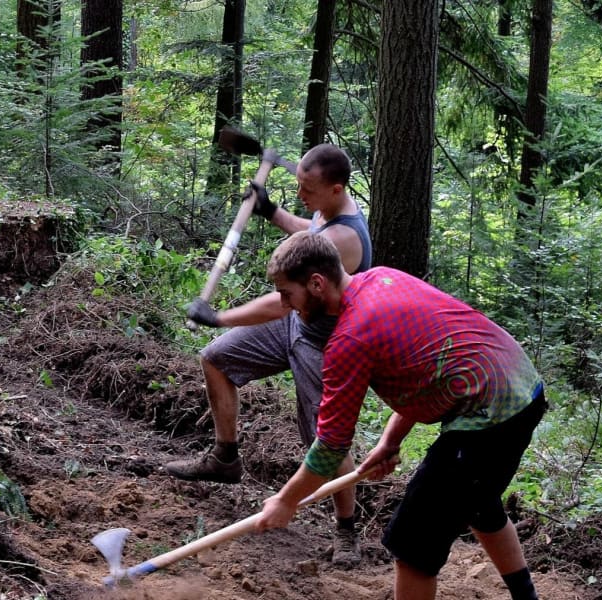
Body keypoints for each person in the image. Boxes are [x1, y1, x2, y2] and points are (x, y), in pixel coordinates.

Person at [255, 231, 545, 600]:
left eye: (286, 293)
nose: (284, 304)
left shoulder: (350, 338)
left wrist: (286, 500)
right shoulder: (382, 278)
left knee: (412, 544)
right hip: (522, 388)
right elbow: (426, 369)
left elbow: (330, 446)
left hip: (492, 414)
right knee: (476, 500)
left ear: (316, 283)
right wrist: (390, 441)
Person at [164, 143, 373, 567]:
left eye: (308, 189)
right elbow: (306, 230)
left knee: (326, 438)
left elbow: (283, 301)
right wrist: (270, 210)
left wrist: (220, 316)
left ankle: (346, 529)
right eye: (297, 185)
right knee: (217, 358)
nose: (301, 195)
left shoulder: (345, 238)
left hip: (325, 342)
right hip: (297, 320)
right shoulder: (327, 212)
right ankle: (225, 458)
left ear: (336, 189)